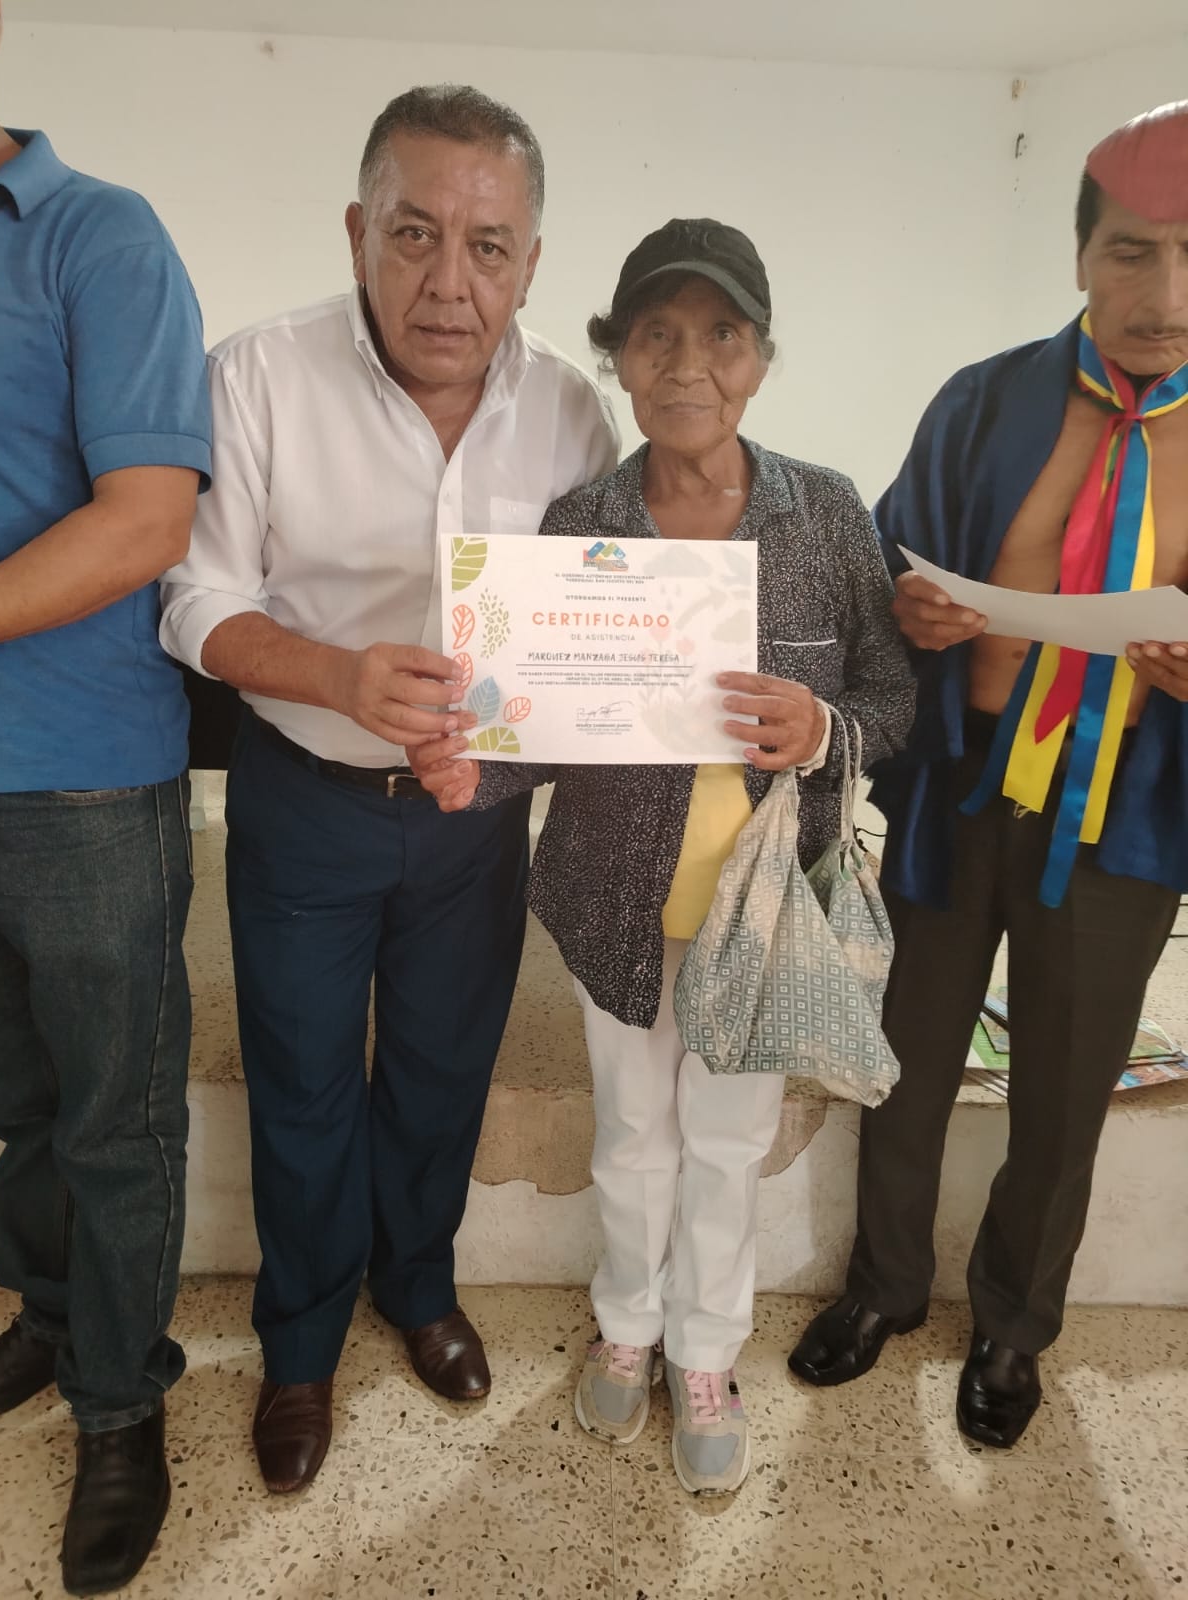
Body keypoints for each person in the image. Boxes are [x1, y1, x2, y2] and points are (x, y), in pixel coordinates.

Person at [159, 84, 617, 1495]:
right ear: (359, 232)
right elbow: (195, 601)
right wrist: (338, 677)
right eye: (414, 235)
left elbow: (592, 623)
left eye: (488, 246)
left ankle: (417, 1286)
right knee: (301, 1080)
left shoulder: (573, 413)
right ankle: (300, 1344)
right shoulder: (258, 375)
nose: (448, 281)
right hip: (304, 794)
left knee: (441, 1067)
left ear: (531, 263)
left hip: (476, 819)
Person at [411, 218, 915, 1495]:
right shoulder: (582, 520)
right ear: (621, 358)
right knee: (633, 1134)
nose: (690, 365)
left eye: (722, 336)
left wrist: (824, 729)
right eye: (657, 336)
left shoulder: (825, 514)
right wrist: (474, 767)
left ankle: (705, 1352)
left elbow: (891, 697)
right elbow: (535, 723)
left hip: (763, 912)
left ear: (761, 358)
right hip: (612, 901)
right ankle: (627, 1326)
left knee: (728, 1144)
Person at [790, 101, 1188, 1450]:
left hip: (1123, 822)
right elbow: (887, 567)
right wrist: (913, 612)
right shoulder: (987, 400)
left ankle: (1015, 1325)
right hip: (962, 799)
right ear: (1081, 256)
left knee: (1064, 1097)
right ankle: (884, 1287)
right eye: (1132, 251)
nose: (1165, 294)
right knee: (905, 1060)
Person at [0, 3, 211, 1591]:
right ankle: (52, 1319)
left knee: (114, 1120)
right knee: (14, 1097)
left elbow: (146, 520)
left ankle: (123, 1408)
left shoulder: (96, 234)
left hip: (80, 776)